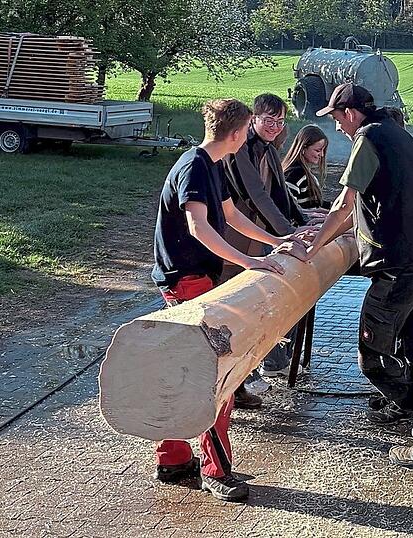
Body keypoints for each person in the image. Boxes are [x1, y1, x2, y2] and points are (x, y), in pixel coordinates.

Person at [292, 83, 413, 476]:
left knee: (374, 356)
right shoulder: (401, 136)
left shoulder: (367, 138)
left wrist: (311, 249)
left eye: (336, 118)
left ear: (350, 112)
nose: (336, 128)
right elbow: (381, 198)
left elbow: (344, 202)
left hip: (399, 265)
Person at [150, 98, 307, 502]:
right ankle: (216, 471)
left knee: (186, 369)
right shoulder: (195, 166)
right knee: (216, 374)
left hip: (200, 277)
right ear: (238, 132)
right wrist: (252, 262)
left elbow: (232, 215)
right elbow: (198, 226)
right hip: (187, 281)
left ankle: (172, 458)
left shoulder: (212, 163)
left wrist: (277, 242)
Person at [221, 94, 315, 389]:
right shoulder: (241, 148)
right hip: (233, 237)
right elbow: (256, 195)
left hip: (258, 235)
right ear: (253, 119)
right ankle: (237, 379)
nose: (275, 126)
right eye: (268, 120)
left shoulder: (270, 149)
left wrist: (305, 220)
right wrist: (287, 234)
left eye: (280, 121)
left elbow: (281, 195)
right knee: (233, 305)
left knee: (256, 298)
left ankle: (253, 371)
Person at [282, 125, 331, 210]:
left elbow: (314, 203)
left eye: (323, 151)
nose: (322, 155)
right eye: (318, 150)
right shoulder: (294, 175)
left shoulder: (307, 174)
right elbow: (288, 208)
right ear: (303, 148)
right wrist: (314, 214)